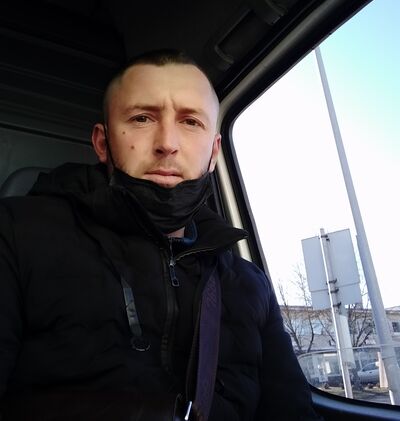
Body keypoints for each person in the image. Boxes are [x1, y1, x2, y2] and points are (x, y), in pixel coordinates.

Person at [0, 50, 322, 420]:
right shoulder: (16, 235)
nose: (167, 142)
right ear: (103, 143)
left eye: (191, 122)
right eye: (142, 118)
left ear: (214, 152)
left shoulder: (248, 283)